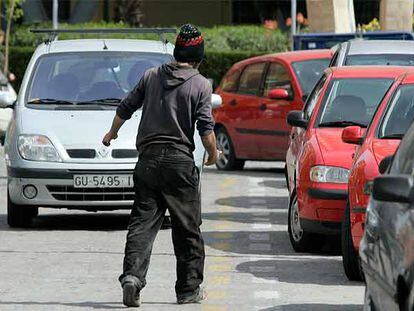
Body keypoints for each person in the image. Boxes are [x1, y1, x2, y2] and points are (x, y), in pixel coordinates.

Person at [102, 24, 220, 307]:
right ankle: (188, 290)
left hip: (148, 161)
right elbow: (205, 128)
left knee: (142, 224)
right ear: (198, 57)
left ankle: (132, 277)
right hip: (179, 163)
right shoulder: (200, 84)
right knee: (187, 228)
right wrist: (214, 153)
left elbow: (125, 107)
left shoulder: (151, 76)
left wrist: (111, 134)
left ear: (177, 52)